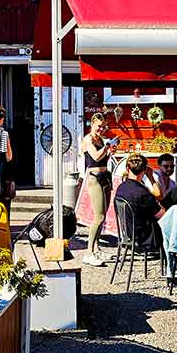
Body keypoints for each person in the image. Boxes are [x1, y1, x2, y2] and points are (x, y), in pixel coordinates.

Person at [81, 113, 117, 266]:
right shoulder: (88, 139)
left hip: (104, 176)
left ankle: (96, 248)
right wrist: (107, 147)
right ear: (92, 124)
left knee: (103, 213)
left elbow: (103, 158)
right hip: (94, 178)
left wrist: (109, 152)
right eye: (98, 126)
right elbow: (95, 157)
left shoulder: (100, 139)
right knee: (99, 216)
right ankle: (88, 253)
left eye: (103, 127)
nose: (101, 129)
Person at [114, 153, 165, 252]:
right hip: (145, 239)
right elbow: (163, 215)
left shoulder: (121, 187)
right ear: (144, 170)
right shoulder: (143, 193)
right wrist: (151, 178)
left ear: (128, 169)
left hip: (128, 234)